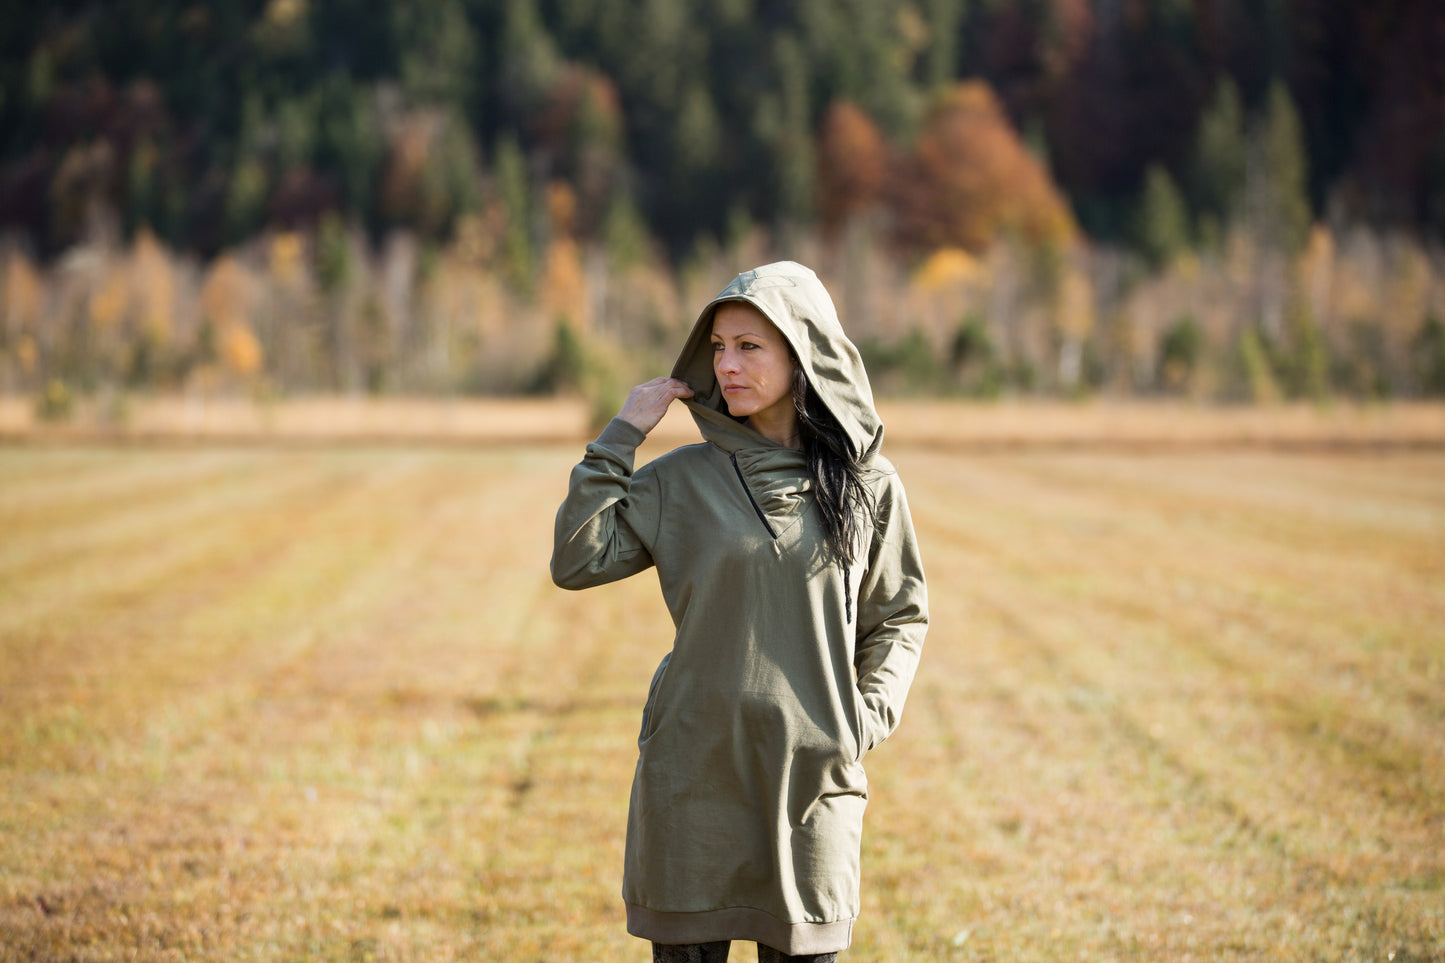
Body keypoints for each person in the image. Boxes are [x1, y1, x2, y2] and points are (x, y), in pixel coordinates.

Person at [551, 261, 928, 962]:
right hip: (693, 776)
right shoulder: (679, 481)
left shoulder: (869, 483)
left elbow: (899, 615)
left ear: (802, 351)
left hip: (810, 779)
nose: (726, 364)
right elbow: (576, 559)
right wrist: (620, 437)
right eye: (718, 346)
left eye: (749, 346)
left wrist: (863, 716)